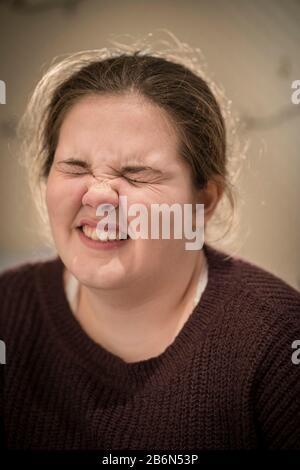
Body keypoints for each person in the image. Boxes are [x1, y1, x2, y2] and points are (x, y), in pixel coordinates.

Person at [0, 45, 300, 451]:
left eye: (136, 175)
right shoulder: (8, 311)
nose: (98, 197)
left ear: (203, 202)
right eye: (75, 167)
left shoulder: (278, 342)